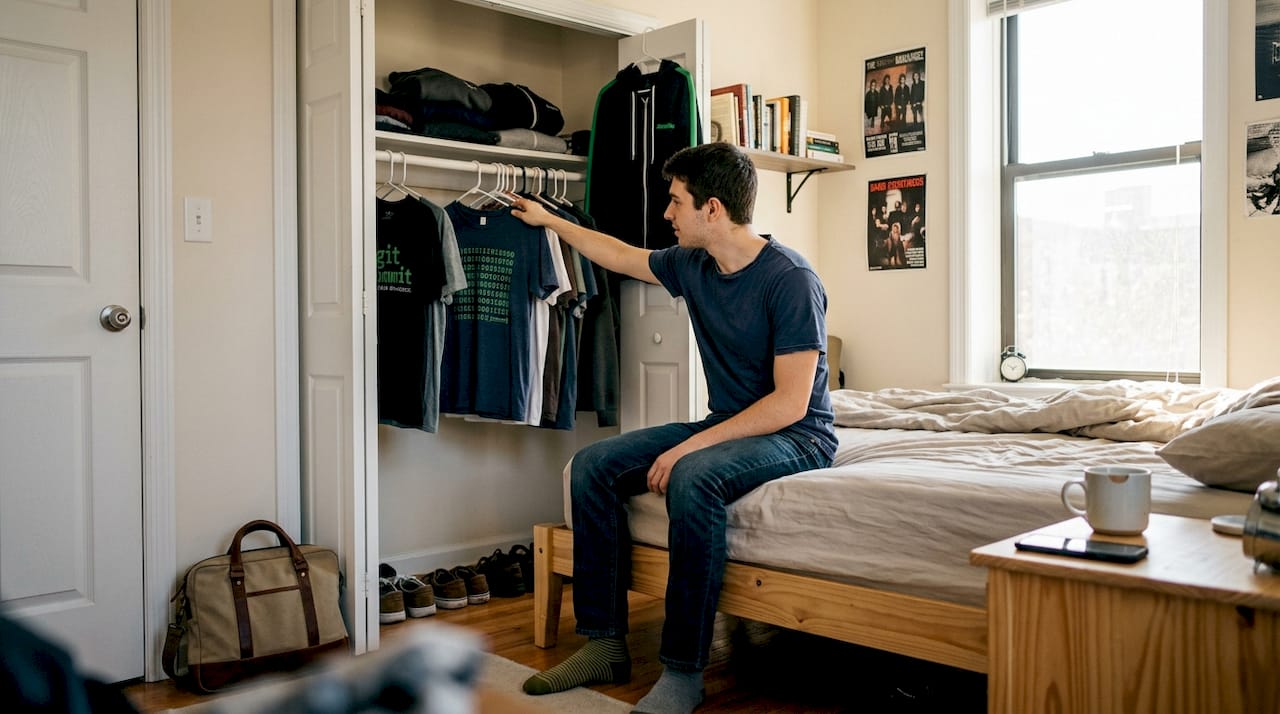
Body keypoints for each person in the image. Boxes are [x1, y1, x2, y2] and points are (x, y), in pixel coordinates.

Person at [509, 142, 836, 714]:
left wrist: (693, 445)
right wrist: (551, 221)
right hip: (731, 423)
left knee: (693, 477)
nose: (667, 214)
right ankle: (604, 643)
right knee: (592, 466)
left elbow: (789, 404)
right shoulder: (693, 265)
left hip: (798, 434)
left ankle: (684, 671)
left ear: (712, 209)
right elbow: (618, 255)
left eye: (675, 201)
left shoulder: (791, 280)